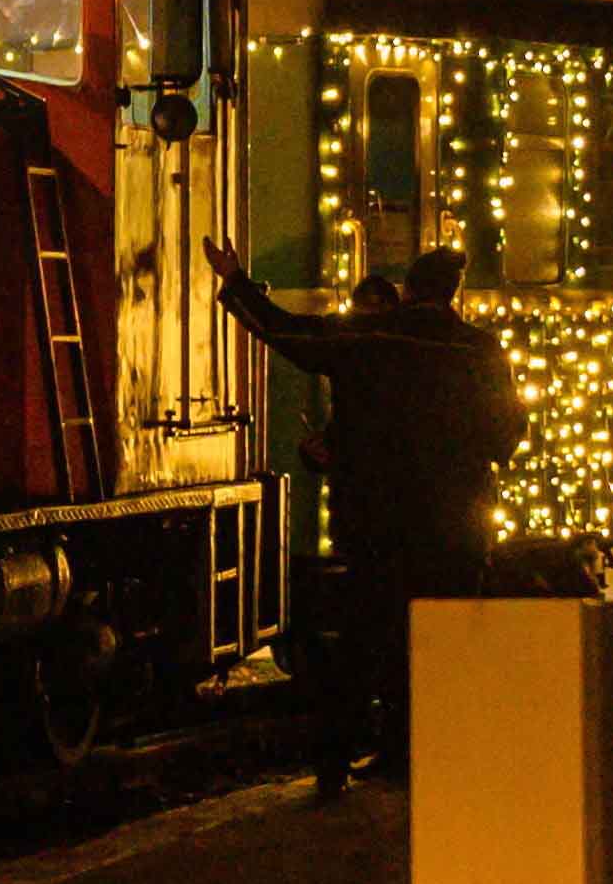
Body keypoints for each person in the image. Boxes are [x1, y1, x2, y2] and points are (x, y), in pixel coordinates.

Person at [204, 239, 525, 781]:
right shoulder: (481, 351)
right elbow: (505, 437)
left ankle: (334, 758)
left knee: (364, 640)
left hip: (376, 518)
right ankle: (420, 754)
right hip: (456, 522)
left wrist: (236, 282)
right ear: (454, 294)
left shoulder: (371, 338)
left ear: (406, 291)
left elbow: (288, 334)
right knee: (440, 641)